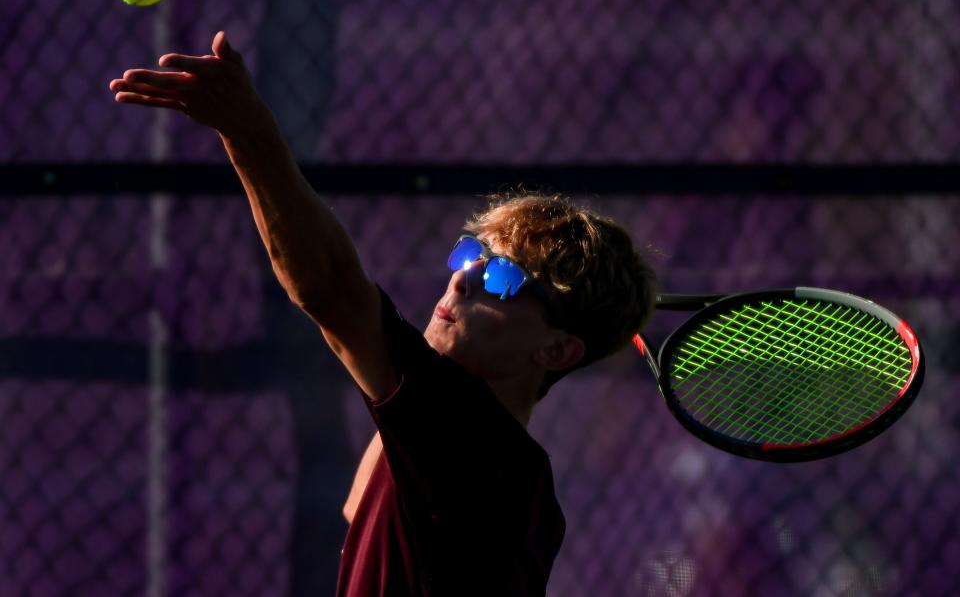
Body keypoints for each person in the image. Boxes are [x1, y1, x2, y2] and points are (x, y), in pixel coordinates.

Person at [110, 31, 658, 596]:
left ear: (556, 350)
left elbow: (329, 289)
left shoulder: (473, 447)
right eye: (474, 254)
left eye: (503, 276)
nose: (464, 277)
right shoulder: (511, 480)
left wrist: (246, 128)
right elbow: (361, 506)